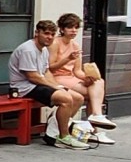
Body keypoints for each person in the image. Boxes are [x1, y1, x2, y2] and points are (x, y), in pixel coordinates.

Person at [11, 20, 91, 150]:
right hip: (24, 87)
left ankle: (53, 131)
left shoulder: (44, 50)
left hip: (38, 84)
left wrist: (57, 86)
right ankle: (64, 137)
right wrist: (55, 87)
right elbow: (33, 77)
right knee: (65, 99)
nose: (49, 37)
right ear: (37, 33)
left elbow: (46, 71)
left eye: (52, 34)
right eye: (46, 33)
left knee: (78, 98)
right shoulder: (28, 50)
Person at [52, 13, 118, 144]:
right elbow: (51, 68)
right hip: (57, 77)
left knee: (98, 82)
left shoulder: (75, 45)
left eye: (76, 28)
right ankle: (95, 125)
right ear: (62, 29)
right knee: (93, 96)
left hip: (70, 77)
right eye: (70, 27)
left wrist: (87, 78)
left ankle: (96, 118)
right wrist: (67, 59)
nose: (74, 31)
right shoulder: (55, 43)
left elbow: (77, 71)